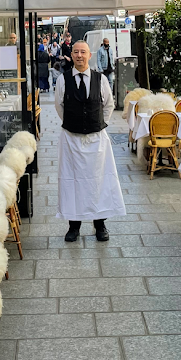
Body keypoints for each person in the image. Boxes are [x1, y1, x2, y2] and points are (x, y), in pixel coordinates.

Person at [55, 40, 126, 242]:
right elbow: (60, 107)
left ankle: (100, 224)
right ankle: (73, 226)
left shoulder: (100, 79)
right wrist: (74, 122)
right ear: (72, 54)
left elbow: (108, 105)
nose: (79, 55)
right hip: (71, 139)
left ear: (90, 55)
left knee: (99, 181)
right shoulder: (63, 80)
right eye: (76, 52)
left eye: (83, 52)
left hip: (96, 140)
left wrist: (96, 122)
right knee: (72, 183)